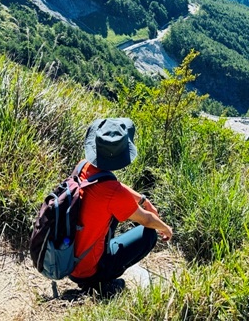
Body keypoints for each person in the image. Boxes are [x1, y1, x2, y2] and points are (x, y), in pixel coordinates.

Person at [69, 117, 173, 295]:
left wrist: (143, 200)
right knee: (149, 235)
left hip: (69, 258)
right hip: (87, 270)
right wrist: (166, 228)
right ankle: (100, 283)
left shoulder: (83, 166)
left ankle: (98, 268)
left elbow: (109, 182)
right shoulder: (113, 193)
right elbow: (147, 220)